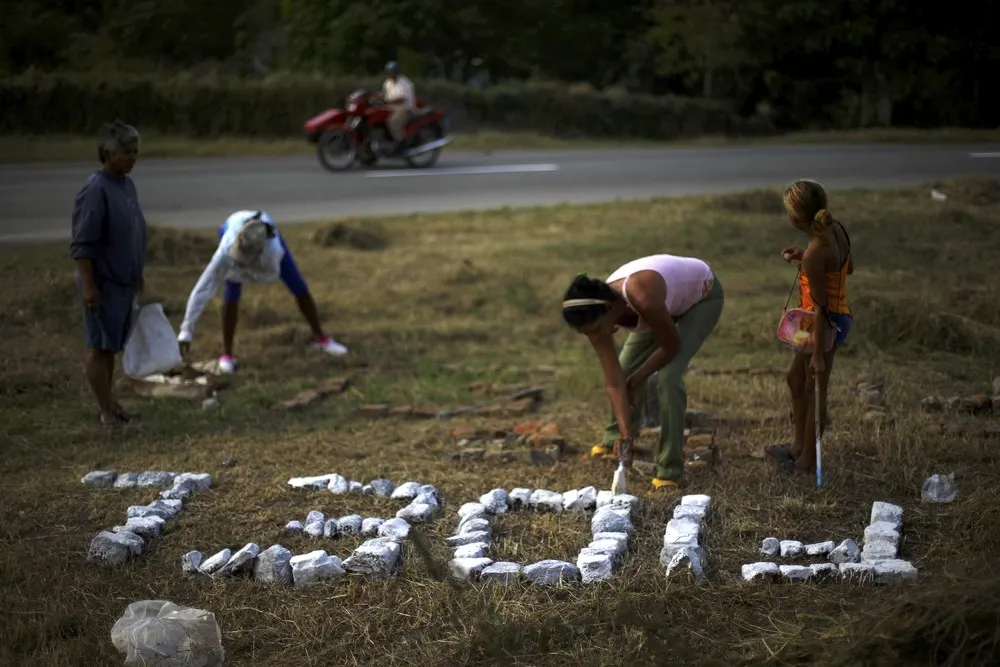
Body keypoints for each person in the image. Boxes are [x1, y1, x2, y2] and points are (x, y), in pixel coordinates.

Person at [561, 255, 724, 491]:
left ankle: (670, 470)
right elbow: (614, 381)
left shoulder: (642, 296)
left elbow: (671, 347)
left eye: (596, 329)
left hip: (700, 298)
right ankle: (618, 441)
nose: (596, 335)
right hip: (662, 306)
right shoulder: (594, 313)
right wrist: (626, 430)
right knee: (625, 368)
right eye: (588, 333)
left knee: (669, 377)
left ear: (608, 310)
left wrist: (637, 379)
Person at [176, 209, 349, 373]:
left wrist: (242, 272)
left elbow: (271, 276)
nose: (240, 263)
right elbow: (203, 288)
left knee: (299, 287)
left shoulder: (273, 251)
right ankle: (228, 355)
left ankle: (321, 339)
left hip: (267, 233)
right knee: (231, 295)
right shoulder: (226, 250)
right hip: (233, 223)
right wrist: (186, 331)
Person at [765, 179, 854, 476]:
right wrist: (805, 259)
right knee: (795, 379)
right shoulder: (835, 229)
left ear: (795, 218)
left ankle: (805, 461)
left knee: (815, 385)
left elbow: (821, 308)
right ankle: (797, 448)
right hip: (825, 319)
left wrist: (817, 354)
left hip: (826, 325)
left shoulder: (817, 251)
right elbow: (846, 267)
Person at [70, 121, 148, 426]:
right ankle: (105, 411)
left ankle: (112, 405)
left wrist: (137, 273)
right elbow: (82, 244)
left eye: (135, 151)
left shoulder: (126, 185)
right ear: (107, 153)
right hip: (102, 283)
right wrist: (89, 285)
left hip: (123, 282)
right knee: (98, 347)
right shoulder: (94, 190)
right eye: (126, 152)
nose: (133, 158)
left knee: (111, 346)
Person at [379, 61, 416, 150]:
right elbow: (384, 94)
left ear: (397, 71)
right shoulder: (387, 83)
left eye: (392, 71)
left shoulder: (404, 83)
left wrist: (387, 101)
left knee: (393, 122)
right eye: (388, 71)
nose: (390, 73)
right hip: (390, 109)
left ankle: (402, 143)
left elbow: (402, 99)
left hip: (404, 110)